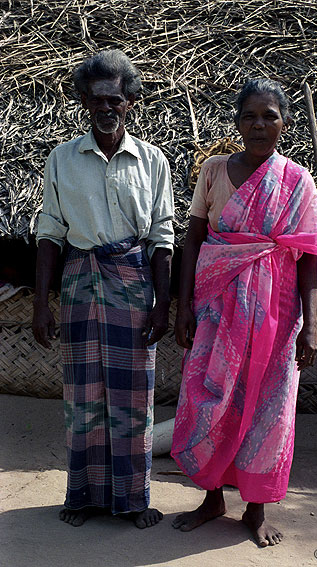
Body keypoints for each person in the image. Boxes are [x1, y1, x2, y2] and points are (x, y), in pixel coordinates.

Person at [171, 79, 317, 547]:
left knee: (268, 407)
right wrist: (184, 308)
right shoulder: (214, 171)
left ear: (284, 123)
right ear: (237, 121)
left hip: (277, 316)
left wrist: (310, 328)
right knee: (209, 397)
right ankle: (211, 498)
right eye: (249, 116)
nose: (258, 124)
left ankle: (255, 508)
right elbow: (194, 240)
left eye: (269, 116)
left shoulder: (297, 181)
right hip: (216, 310)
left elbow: (307, 257)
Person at [32, 49, 174, 528]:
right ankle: (82, 498)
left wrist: (161, 306)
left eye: (115, 100)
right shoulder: (62, 159)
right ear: (84, 102)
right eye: (96, 101)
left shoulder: (152, 161)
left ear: (130, 101)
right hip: (78, 281)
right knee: (83, 395)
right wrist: (40, 305)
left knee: (134, 395)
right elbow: (50, 232)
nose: (106, 109)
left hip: (133, 283)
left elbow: (162, 238)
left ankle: (134, 501)